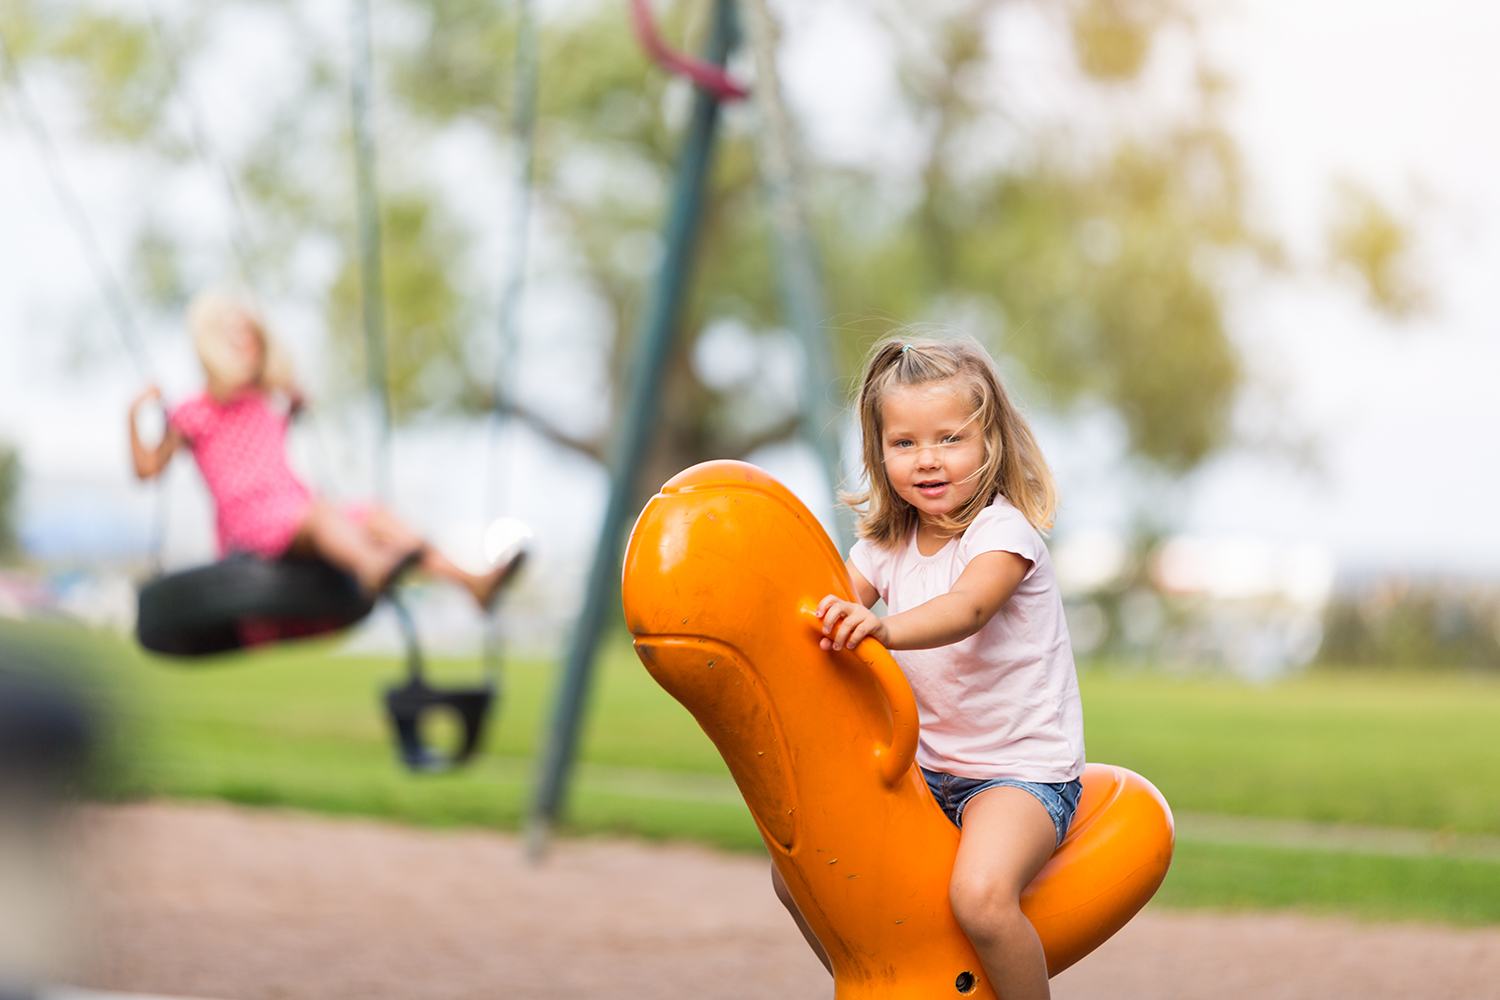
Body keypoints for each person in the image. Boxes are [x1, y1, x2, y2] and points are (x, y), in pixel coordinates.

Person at [782, 335, 1085, 1000]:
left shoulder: (1002, 536)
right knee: (801, 871)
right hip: (923, 770)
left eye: (949, 439)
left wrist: (881, 629)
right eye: (905, 443)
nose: (927, 460)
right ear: (878, 450)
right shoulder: (884, 544)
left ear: (991, 442)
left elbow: (968, 608)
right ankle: (879, 979)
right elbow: (818, 612)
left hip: (1018, 773)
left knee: (980, 897)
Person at [128, 290, 520, 609]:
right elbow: (148, 470)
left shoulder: (265, 401)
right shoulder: (193, 412)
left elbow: (276, 437)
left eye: (252, 336)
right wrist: (134, 416)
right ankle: (372, 566)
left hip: (297, 510)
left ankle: (472, 581)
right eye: (237, 337)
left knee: (377, 515)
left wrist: (295, 408)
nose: (248, 345)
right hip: (250, 524)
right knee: (320, 515)